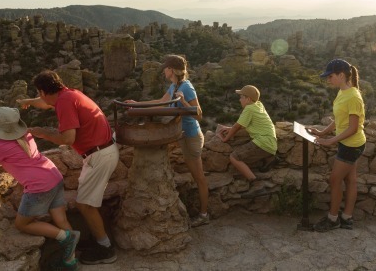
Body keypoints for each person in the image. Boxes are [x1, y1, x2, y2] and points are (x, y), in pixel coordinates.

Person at [0, 107, 80, 271]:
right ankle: (70, 261)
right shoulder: (26, 134)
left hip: (39, 187)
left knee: (22, 225)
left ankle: (65, 237)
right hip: (54, 176)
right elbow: (16, 157)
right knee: (61, 220)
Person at [17, 70, 119, 265]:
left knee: (85, 205)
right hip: (102, 150)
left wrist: (41, 132)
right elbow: (45, 103)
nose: (40, 98)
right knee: (85, 203)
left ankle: (105, 248)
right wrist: (28, 101)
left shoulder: (64, 102)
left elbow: (67, 139)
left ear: (43, 91)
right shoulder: (68, 94)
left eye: (39, 93)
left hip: (99, 155)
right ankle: (99, 241)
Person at [124, 54, 209, 227]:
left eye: (166, 67)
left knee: (199, 177)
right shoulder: (174, 85)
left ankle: (204, 214)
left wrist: (184, 101)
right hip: (184, 135)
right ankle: (201, 210)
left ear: (172, 70)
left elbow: (199, 114)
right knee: (195, 175)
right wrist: (137, 104)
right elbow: (161, 102)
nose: (163, 70)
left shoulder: (186, 87)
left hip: (191, 136)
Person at [308, 59, 366, 232]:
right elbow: (339, 119)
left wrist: (330, 141)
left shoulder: (354, 97)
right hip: (349, 144)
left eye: (331, 76)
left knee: (334, 180)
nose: (328, 80)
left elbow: (353, 127)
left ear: (342, 75)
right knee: (350, 180)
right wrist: (323, 133)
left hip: (351, 146)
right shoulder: (342, 92)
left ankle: (333, 220)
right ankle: (347, 218)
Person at [219, 85, 279, 186]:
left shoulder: (249, 109)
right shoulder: (258, 105)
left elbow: (237, 127)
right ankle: (270, 158)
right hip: (270, 143)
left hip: (262, 143)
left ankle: (255, 183)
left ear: (248, 99)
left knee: (234, 157)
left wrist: (225, 139)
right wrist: (230, 128)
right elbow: (244, 124)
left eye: (241, 97)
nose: (239, 100)